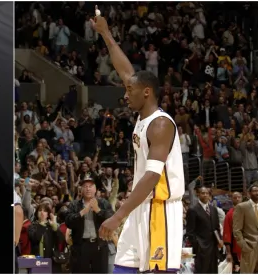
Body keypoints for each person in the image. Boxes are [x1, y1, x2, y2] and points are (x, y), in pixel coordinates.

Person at [91, 6, 185, 273]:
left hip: (160, 209)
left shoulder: (160, 125)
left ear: (146, 92)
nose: (125, 94)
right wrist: (105, 33)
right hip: (140, 206)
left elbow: (152, 177)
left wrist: (118, 215)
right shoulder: (143, 114)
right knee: (122, 268)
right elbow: (125, 71)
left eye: (129, 91)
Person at [65, 174, 114, 273]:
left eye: (90, 186)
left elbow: (111, 219)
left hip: (99, 244)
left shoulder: (103, 203)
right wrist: (82, 212)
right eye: (85, 186)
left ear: (95, 189)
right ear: (81, 189)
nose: (88, 189)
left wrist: (98, 210)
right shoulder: (74, 204)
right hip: (81, 245)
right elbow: (68, 222)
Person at [186, 186, 222, 274]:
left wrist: (219, 240)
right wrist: (198, 245)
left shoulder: (213, 209)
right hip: (201, 248)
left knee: (213, 270)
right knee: (202, 270)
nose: (205, 195)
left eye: (207, 193)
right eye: (203, 193)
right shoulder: (193, 210)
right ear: (198, 194)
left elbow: (216, 227)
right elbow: (190, 232)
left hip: (213, 246)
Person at [233, 183, 258, 274]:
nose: (257, 193)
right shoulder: (241, 207)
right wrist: (244, 245)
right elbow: (236, 230)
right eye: (255, 191)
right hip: (249, 247)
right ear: (249, 193)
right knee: (247, 272)